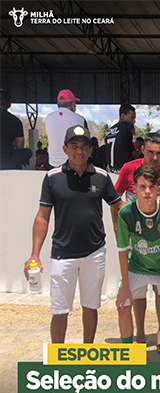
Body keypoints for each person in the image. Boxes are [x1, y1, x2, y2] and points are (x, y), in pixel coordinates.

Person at [24, 125, 122, 343]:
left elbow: (119, 207)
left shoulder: (102, 177)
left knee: (91, 306)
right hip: (62, 254)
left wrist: (149, 210)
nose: (79, 151)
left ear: (90, 151)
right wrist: (34, 255)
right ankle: (59, 359)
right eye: (74, 146)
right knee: (60, 311)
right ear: (65, 149)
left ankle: (87, 354)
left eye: (84, 147)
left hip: (94, 252)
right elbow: (42, 217)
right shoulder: (52, 177)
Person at [116, 165, 160, 351]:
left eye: (151, 187)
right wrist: (125, 287)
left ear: (159, 189)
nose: (147, 192)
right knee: (123, 304)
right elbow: (122, 251)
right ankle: (129, 351)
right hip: (137, 266)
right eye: (142, 187)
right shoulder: (125, 213)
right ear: (134, 189)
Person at [114, 132, 160, 202]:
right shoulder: (128, 168)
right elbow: (115, 201)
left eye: (159, 153)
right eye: (150, 152)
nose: (155, 158)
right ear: (142, 150)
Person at [45, 89, 87, 169]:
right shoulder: (80, 119)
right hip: (73, 161)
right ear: (72, 104)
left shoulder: (48, 118)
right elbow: (86, 141)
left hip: (53, 163)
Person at [0, 89, 30, 170]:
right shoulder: (15, 121)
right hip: (8, 161)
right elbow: (20, 146)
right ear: (9, 105)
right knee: (27, 152)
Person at [105, 104, 137, 171]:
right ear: (123, 116)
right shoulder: (129, 127)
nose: (134, 121)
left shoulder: (110, 130)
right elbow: (133, 150)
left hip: (110, 169)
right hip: (124, 169)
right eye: (132, 118)